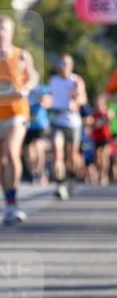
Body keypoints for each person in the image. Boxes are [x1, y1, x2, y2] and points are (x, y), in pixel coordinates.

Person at [0, 16, 38, 225]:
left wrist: (27, 87)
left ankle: (14, 201)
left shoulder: (22, 55)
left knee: (12, 152)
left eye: (4, 29)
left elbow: (33, 76)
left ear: (11, 32)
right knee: (0, 161)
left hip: (17, 110)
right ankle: (9, 203)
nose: (0, 33)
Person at [49, 54, 87, 200]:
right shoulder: (53, 80)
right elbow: (50, 97)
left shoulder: (76, 80)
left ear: (71, 66)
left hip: (72, 122)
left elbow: (83, 99)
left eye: (66, 64)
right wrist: (47, 102)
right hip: (57, 120)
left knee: (71, 155)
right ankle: (60, 185)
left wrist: (76, 101)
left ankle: (71, 178)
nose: (64, 67)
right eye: (62, 63)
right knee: (57, 152)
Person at [24, 82, 52, 184]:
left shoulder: (42, 89)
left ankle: (40, 172)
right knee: (29, 150)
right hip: (27, 124)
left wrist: (42, 100)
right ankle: (33, 173)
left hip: (40, 124)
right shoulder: (24, 89)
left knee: (38, 147)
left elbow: (48, 102)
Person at [87, 93, 114, 186]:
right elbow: (90, 123)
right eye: (97, 102)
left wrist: (106, 117)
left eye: (100, 102)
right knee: (99, 158)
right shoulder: (93, 113)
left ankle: (104, 175)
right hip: (97, 138)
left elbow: (110, 117)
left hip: (106, 137)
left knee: (105, 156)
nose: (98, 104)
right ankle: (99, 173)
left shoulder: (107, 112)